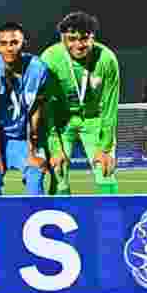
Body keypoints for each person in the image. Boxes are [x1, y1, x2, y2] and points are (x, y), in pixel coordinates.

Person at [40, 11, 121, 195]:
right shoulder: (50, 59)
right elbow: (47, 107)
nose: (78, 44)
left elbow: (110, 107)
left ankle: (111, 223)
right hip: (62, 121)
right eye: (71, 38)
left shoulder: (107, 59)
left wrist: (105, 148)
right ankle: (59, 220)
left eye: (84, 38)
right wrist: (55, 147)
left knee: (105, 173)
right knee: (59, 174)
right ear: (62, 38)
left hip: (94, 119)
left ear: (93, 37)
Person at [0, 22, 50, 196]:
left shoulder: (38, 67)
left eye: (14, 43)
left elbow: (36, 109)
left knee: (35, 177)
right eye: (3, 43)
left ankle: (38, 217)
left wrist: (33, 151)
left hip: (23, 137)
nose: (9, 48)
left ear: (23, 44)